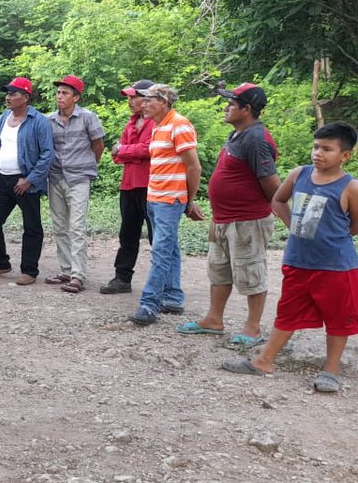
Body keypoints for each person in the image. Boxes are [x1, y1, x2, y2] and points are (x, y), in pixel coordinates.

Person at [221, 122, 358, 393]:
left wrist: (337, 236)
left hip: (336, 267)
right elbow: (278, 201)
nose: (318, 153)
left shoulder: (350, 187)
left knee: (338, 317)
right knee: (288, 312)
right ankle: (264, 361)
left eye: (327, 149)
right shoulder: (299, 175)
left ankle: (330, 371)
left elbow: (356, 224)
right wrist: (292, 225)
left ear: (345, 156)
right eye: (316, 147)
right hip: (297, 261)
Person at [178, 84, 279, 348]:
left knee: (251, 271)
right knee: (219, 270)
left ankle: (253, 327)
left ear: (247, 109)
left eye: (232, 104)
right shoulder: (239, 134)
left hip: (247, 220)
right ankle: (214, 318)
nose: (226, 107)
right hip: (224, 219)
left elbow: (272, 186)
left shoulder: (257, 139)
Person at [128, 84, 205, 326]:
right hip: (155, 197)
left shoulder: (179, 124)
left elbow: (194, 167)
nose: (144, 104)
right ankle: (173, 297)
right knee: (169, 248)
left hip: (169, 199)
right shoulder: (160, 126)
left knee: (160, 250)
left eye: (149, 100)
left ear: (163, 102)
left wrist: (188, 201)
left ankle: (150, 304)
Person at [0, 77, 55, 286]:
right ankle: (1, 263)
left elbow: (47, 154)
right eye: (7, 94)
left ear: (25, 97)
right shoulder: (4, 117)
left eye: (13, 94)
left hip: (25, 182)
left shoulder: (39, 121)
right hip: (0, 179)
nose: (8, 98)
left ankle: (29, 270)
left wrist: (30, 179)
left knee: (32, 226)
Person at [44, 75, 105, 294]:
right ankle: (66, 269)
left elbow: (98, 145)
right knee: (59, 225)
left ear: (76, 97)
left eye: (65, 93)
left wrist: (89, 165)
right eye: (58, 92)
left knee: (76, 226)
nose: (59, 96)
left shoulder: (88, 118)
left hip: (79, 178)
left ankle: (78, 275)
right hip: (56, 177)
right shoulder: (49, 120)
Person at [101, 80, 156, 294]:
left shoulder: (157, 123)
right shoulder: (131, 124)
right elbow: (116, 156)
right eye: (130, 97)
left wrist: (124, 150)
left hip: (151, 185)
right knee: (127, 233)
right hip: (129, 185)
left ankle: (162, 283)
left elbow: (149, 149)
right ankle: (122, 278)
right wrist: (127, 151)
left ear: (148, 99)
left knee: (156, 236)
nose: (130, 101)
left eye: (134, 97)